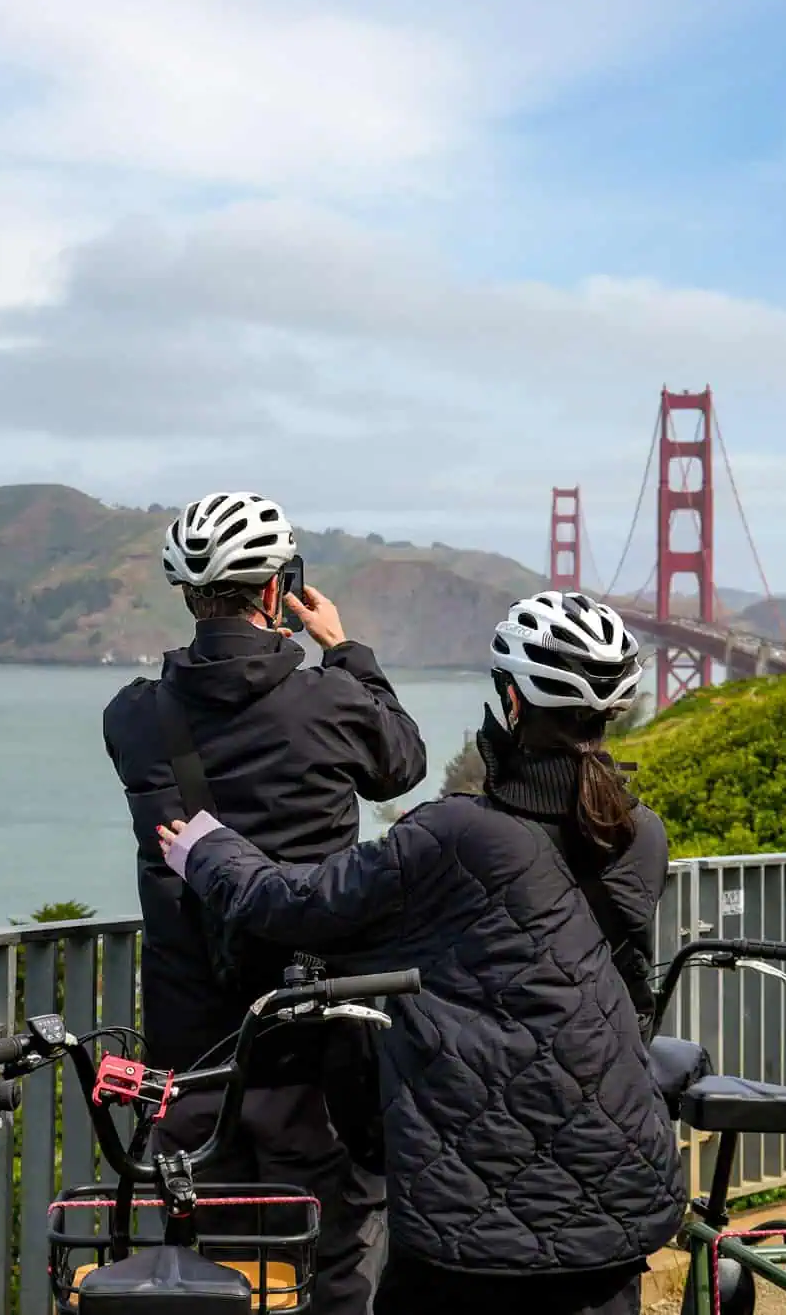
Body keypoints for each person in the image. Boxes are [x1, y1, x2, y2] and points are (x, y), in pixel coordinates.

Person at [157, 591, 684, 1315]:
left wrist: (206, 848)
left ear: (511, 701)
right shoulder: (641, 833)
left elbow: (298, 905)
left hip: (471, 1213)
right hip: (617, 1194)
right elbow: (626, 992)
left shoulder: (456, 835)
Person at [102, 489, 428, 1315]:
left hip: (189, 1065)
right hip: (310, 1048)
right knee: (329, 1267)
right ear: (279, 589)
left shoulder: (134, 717)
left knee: (209, 1276)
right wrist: (343, 647)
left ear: (187, 593)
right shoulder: (329, 699)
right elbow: (404, 763)